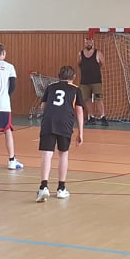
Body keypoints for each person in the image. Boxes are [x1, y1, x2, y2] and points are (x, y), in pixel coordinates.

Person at [36, 66, 84, 202]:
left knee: (47, 154)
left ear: (58, 75)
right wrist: (81, 132)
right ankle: (61, 189)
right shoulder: (76, 89)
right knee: (63, 154)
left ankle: (43, 187)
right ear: (73, 77)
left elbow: (43, 106)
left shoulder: (50, 87)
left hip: (49, 122)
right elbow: (79, 111)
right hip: (65, 123)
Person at [77, 37, 108, 126]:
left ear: (93, 43)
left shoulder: (98, 53)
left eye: (90, 42)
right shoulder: (80, 54)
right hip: (84, 82)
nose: (88, 44)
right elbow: (79, 64)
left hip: (96, 81)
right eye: (87, 42)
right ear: (84, 43)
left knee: (99, 99)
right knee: (87, 99)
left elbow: (102, 63)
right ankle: (91, 117)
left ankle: (102, 117)